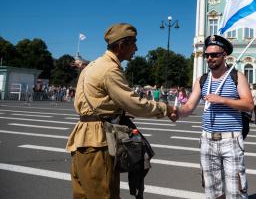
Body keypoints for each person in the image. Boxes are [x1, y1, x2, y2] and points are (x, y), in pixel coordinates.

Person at [66, 23, 177, 199]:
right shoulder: (110, 69)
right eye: (133, 43)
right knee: (105, 194)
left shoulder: (93, 65)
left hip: (83, 139)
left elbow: (93, 102)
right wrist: (165, 109)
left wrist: (116, 111)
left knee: (83, 195)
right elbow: (134, 103)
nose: (136, 48)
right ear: (121, 45)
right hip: (99, 142)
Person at [176, 35, 253, 199]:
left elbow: (248, 104)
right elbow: (189, 106)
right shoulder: (202, 80)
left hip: (231, 140)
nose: (210, 58)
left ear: (224, 55)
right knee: (212, 191)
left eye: (214, 55)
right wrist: (174, 112)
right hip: (207, 141)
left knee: (236, 192)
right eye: (207, 55)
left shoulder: (237, 77)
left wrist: (223, 100)